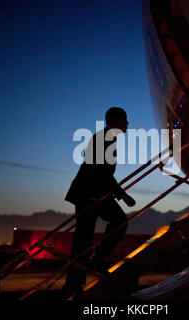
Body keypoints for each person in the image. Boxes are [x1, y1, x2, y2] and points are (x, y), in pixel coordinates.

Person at [62, 107, 136, 296]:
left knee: (85, 237)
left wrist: (122, 194)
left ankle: (77, 280)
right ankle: (93, 264)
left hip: (94, 194)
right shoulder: (103, 139)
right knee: (87, 236)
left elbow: (103, 173)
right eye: (124, 120)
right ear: (114, 121)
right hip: (90, 194)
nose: (127, 124)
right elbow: (97, 171)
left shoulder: (108, 139)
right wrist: (97, 198)